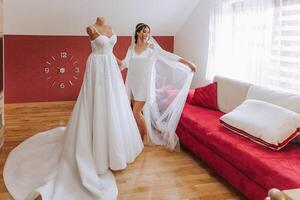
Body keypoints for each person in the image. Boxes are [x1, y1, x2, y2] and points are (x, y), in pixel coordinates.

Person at [3, 17, 143, 200]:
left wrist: (121, 62)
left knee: (115, 105)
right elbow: (100, 48)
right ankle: (95, 149)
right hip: (97, 68)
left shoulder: (110, 27)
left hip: (110, 68)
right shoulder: (91, 28)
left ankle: (115, 151)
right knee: (97, 104)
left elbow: (110, 50)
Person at [120, 23, 196, 149]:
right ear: (138, 33)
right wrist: (110, 59)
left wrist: (188, 63)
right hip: (132, 84)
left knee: (136, 112)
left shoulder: (151, 47)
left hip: (144, 85)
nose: (146, 34)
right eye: (144, 31)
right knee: (136, 112)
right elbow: (124, 64)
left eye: (148, 32)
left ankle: (146, 138)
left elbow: (168, 56)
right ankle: (140, 134)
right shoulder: (131, 49)